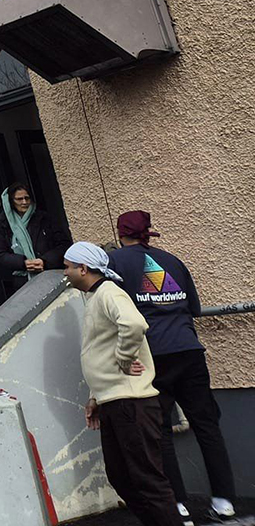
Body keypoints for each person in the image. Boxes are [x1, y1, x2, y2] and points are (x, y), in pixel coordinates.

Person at [108, 212, 236, 522]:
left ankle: (177, 504)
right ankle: (224, 502)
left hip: (153, 354)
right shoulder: (173, 260)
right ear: (148, 233)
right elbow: (193, 307)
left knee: (159, 430)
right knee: (207, 425)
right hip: (190, 349)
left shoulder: (115, 263)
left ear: (120, 233)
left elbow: (116, 311)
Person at [64, 241, 178, 526]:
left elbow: (134, 324)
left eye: (68, 266)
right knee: (121, 476)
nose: (64, 272)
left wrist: (125, 358)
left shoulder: (109, 293)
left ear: (83, 268)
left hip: (132, 402)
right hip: (114, 401)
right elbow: (100, 351)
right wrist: (95, 397)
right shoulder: (96, 298)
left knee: (146, 479)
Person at [0, 182, 71, 292]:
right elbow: (1, 253)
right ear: (11, 202)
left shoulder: (43, 218)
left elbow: (64, 244)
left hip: (50, 275)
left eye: (27, 198)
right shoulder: (4, 225)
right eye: (19, 199)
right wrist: (23, 263)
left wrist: (44, 261)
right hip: (23, 282)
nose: (24, 202)